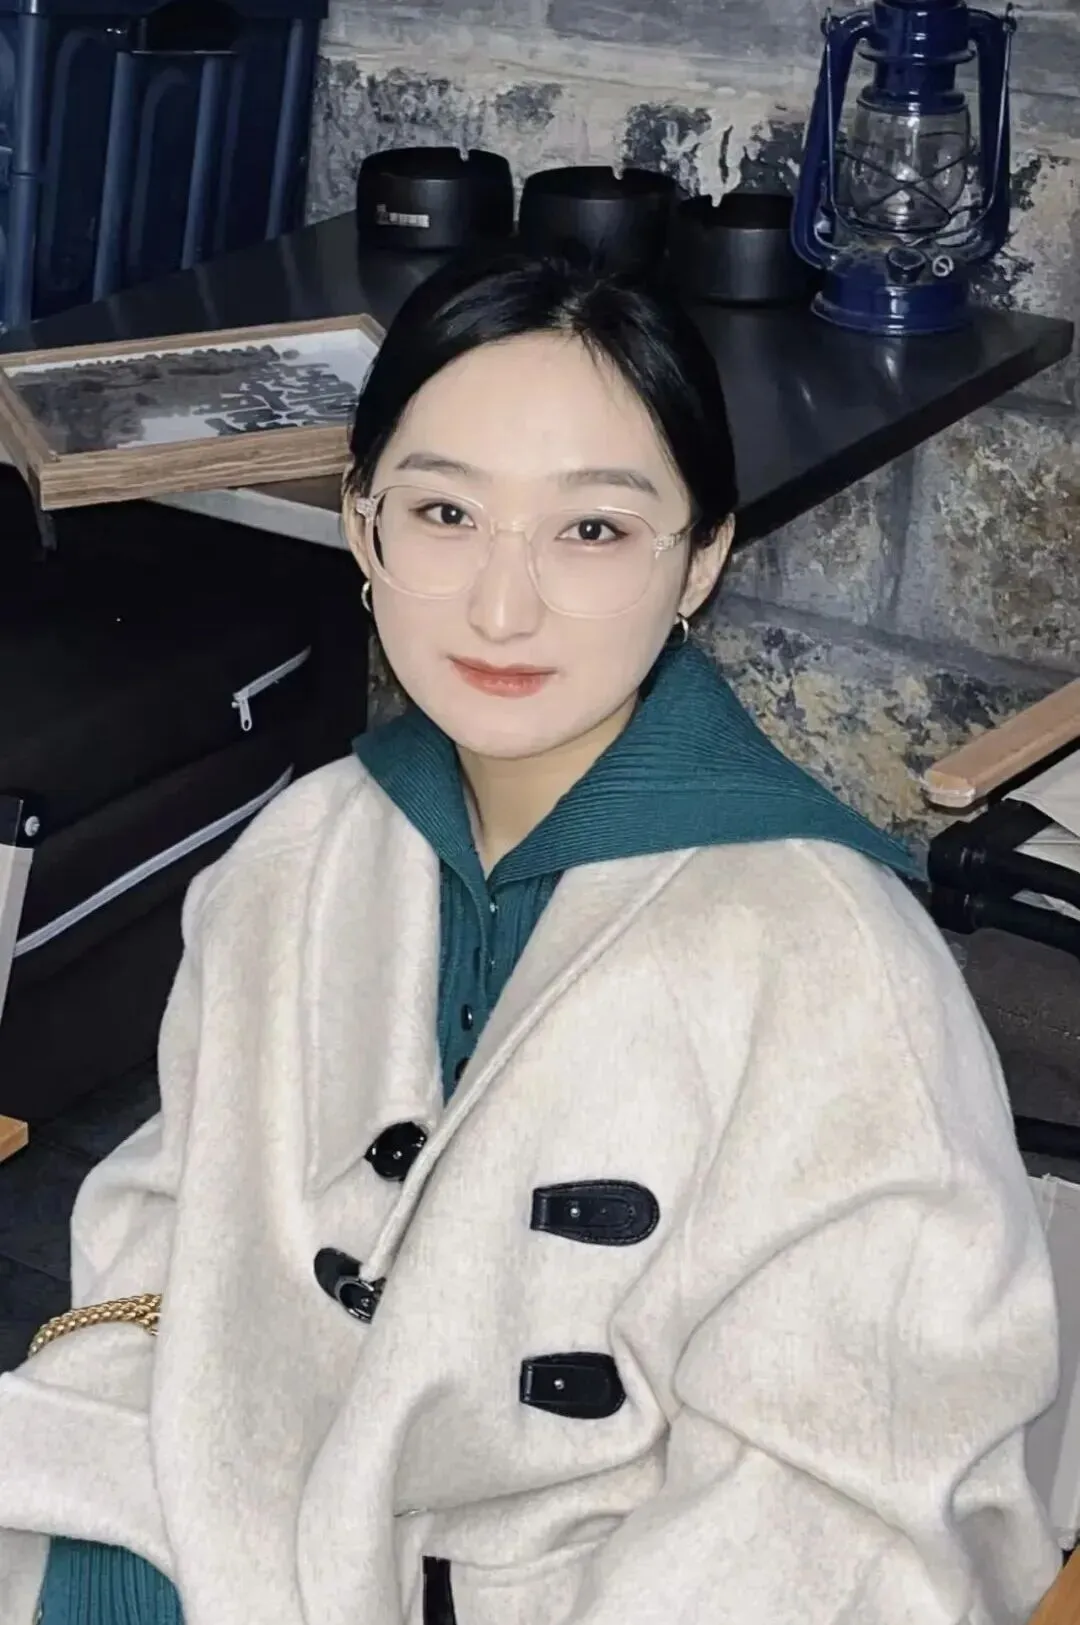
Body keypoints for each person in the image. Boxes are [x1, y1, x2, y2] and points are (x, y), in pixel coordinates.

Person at [0, 250, 1061, 1625]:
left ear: (703, 557)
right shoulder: (303, 854)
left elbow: (845, 1506)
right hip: (217, 1517)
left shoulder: (834, 964)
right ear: (364, 527)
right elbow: (162, 1240)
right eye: (445, 512)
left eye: (594, 530)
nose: (502, 608)